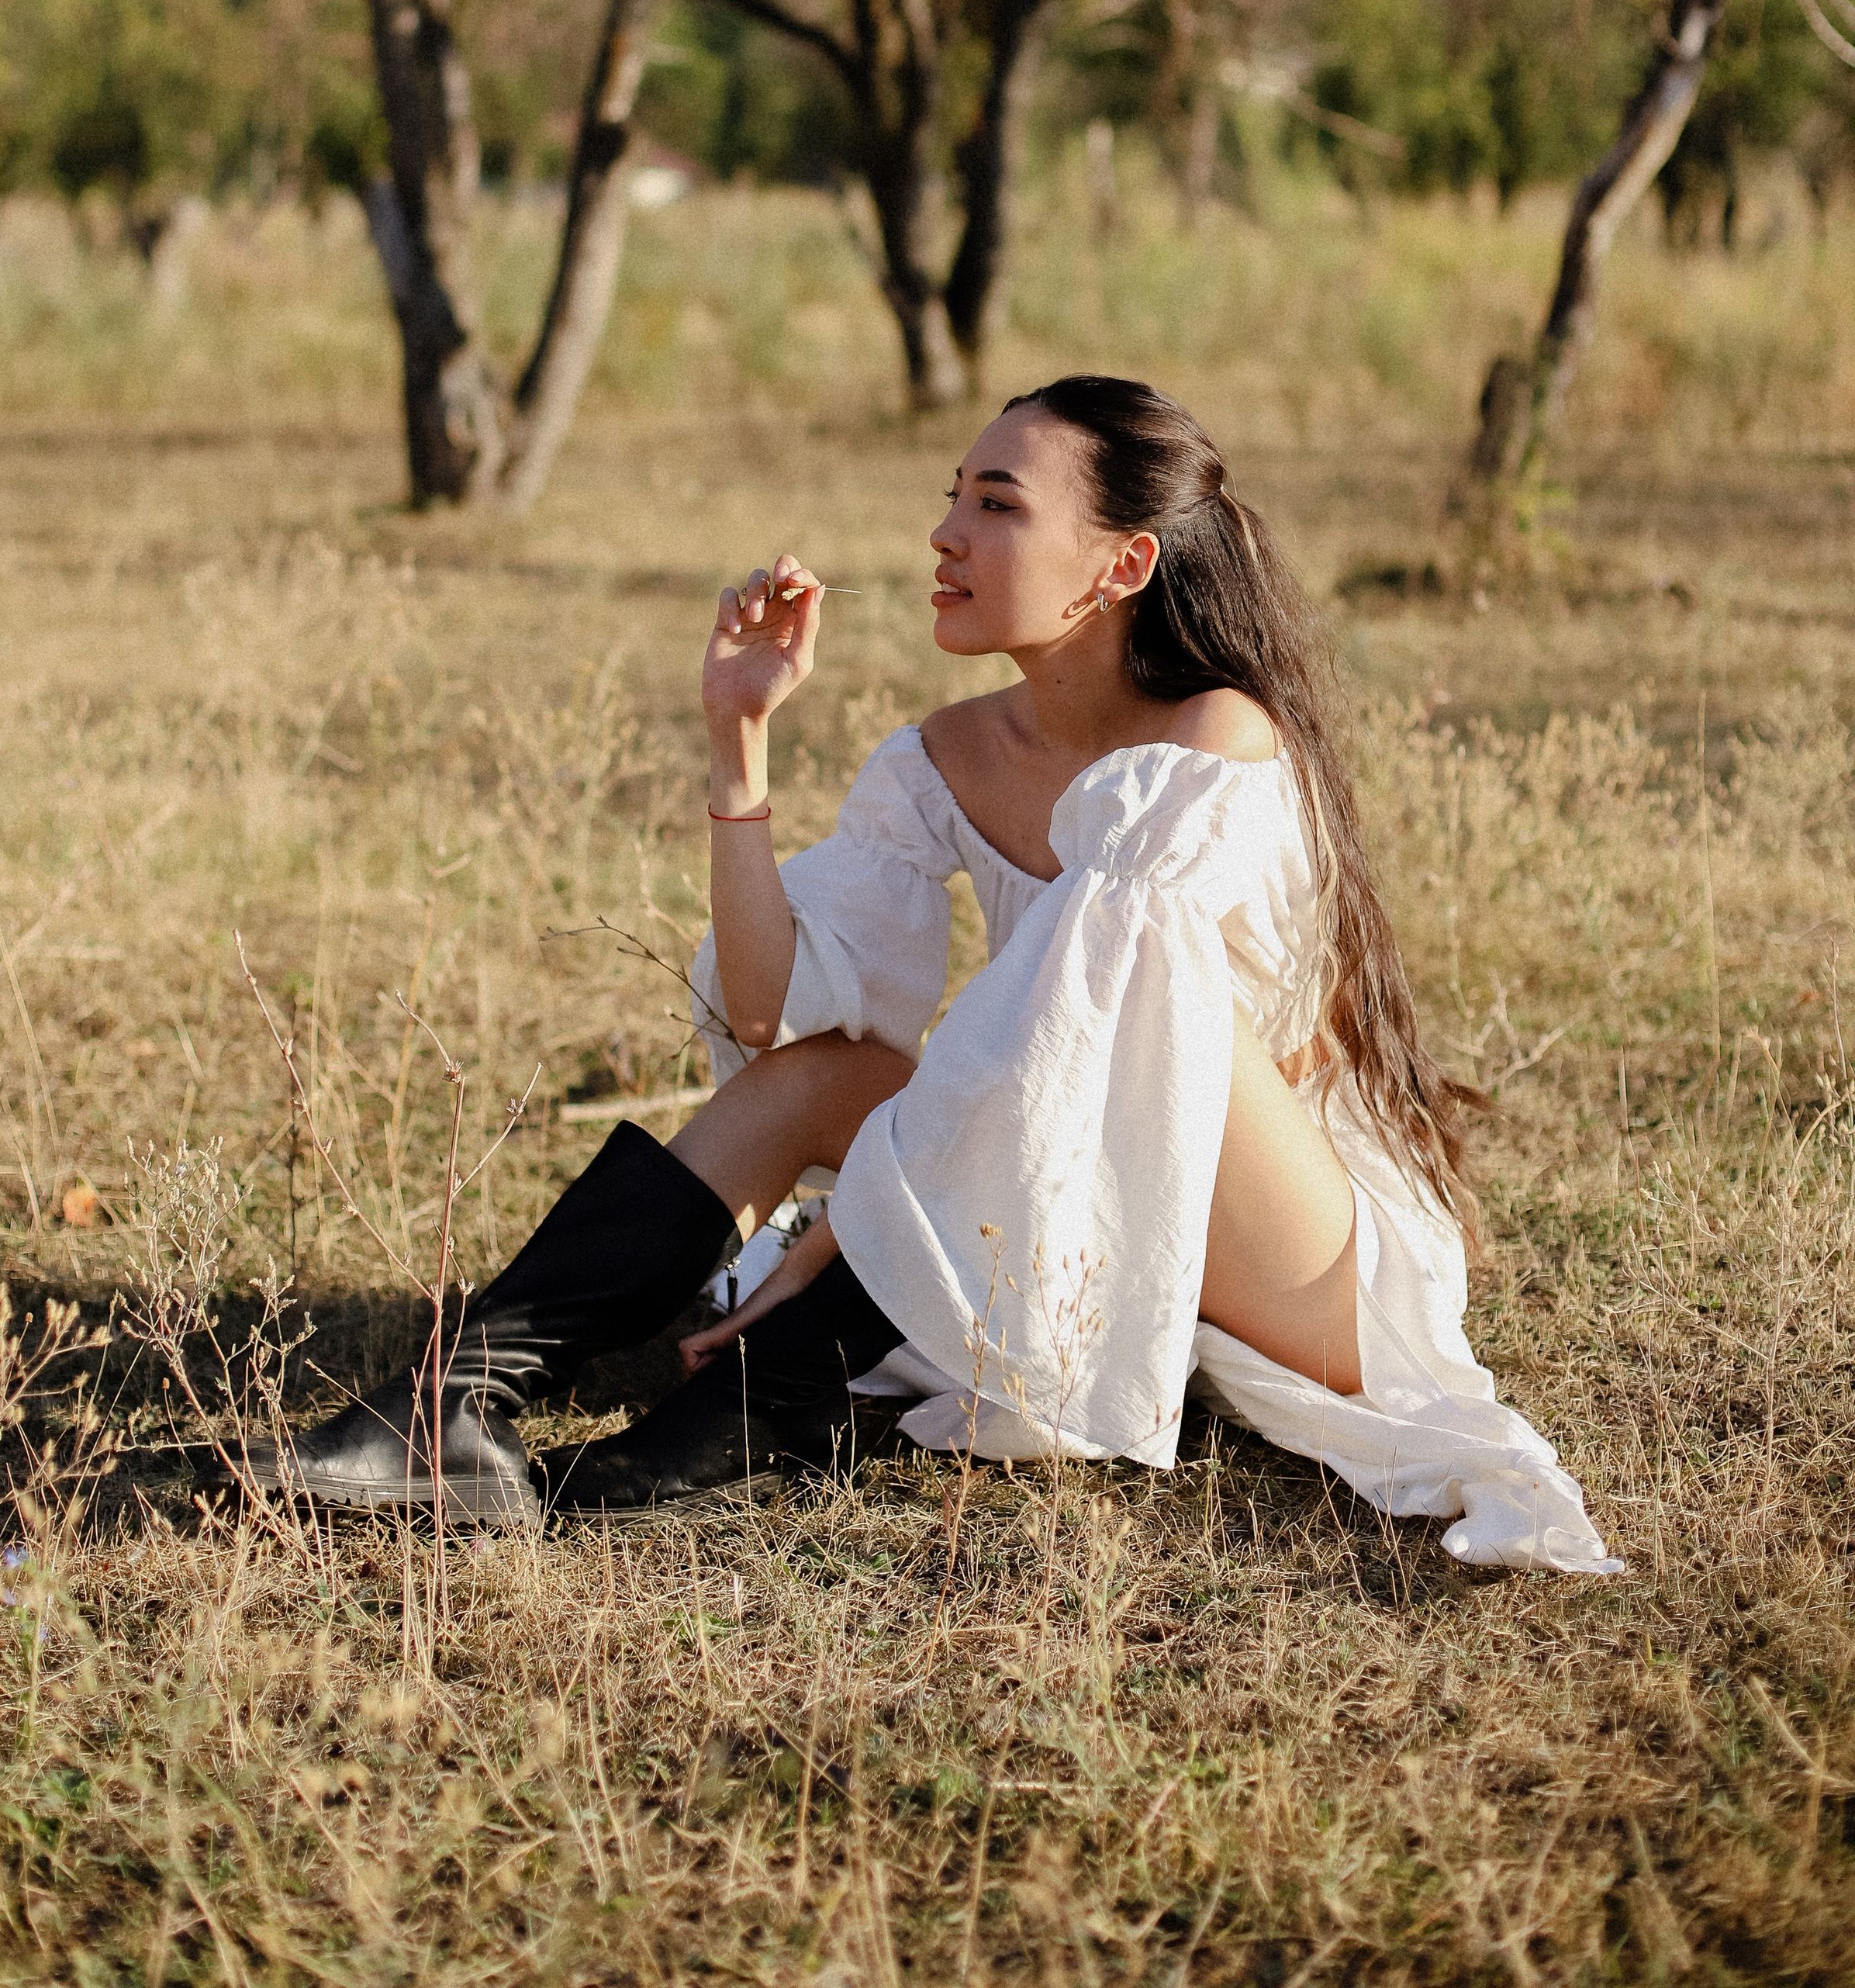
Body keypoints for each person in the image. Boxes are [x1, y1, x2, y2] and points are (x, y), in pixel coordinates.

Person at [219, 376, 1618, 1575]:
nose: (944, 534)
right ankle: (448, 1402)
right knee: (829, 1071)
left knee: (1102, 975)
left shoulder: (1218, 735)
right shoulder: (947, 758)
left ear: (1120, 565)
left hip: (1292, 1252)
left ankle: (722, 1411)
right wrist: (738, 752)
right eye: (953, 495)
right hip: (1051, 1182)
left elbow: (1086, 1053)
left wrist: (830, 1243)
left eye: (999, 505)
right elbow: (777, 1017)